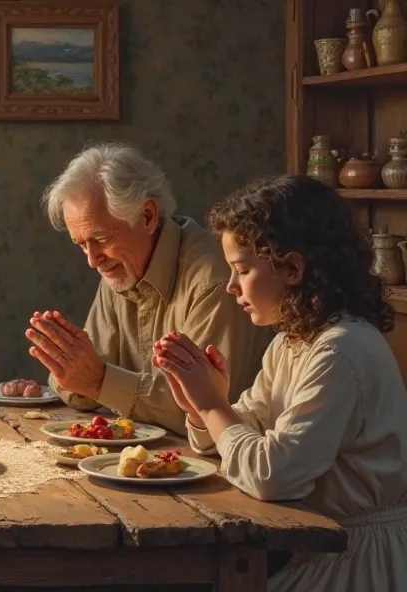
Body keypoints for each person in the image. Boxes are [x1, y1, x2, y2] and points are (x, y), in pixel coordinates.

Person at [153, 175, 407, 592]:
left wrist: (216, 408)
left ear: (292, 267)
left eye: (242, 270)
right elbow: (247, 430)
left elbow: (272, 474)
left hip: (358, 561)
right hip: (316, 545)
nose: (232, 286)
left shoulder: (342, 350)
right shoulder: (294, 342)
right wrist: (200, 407)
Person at [26, 143, 272, 435]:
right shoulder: (117, 270)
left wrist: (96, 381)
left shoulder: (214, 280)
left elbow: (209, 409)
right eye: (81, 244)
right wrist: (68, 369)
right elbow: (87, 379)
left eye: (101, 238)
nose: (92, 261)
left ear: (147, 216)